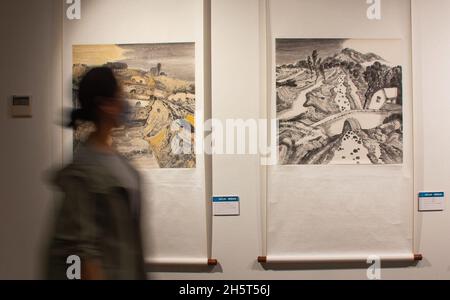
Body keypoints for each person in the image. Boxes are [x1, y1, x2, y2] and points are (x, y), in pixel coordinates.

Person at [45, 67, 146, 280]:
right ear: (104, 105)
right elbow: (83, 253)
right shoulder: (82, 172)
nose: (125, 102)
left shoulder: (120, 163)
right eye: (120, 96)